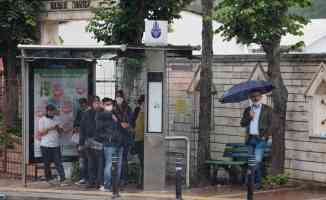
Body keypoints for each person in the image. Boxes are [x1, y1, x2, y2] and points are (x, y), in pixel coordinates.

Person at [240, 91, 273, 190]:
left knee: (257, 161)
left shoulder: (267, 109)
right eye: (252, 96)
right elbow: (242, 124)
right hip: (250, 139)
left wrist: (266, 136)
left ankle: (255, 183)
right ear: (250, 98)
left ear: (261, 97)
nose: (255, 98)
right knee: (251, 162)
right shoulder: (248, 110)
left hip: (260, 139)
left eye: (257, 96)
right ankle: (253, 183)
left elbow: (272, 125)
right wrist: (250, 117)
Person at [96, 98, 124, 192]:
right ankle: (109, 185)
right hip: (110, 143)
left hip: (118, 143)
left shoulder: (115, 114)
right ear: (103, 105)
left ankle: (114, 185)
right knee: (110, 164)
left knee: (117, 165)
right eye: (107, 104)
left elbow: (121, 123)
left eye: (111, 104)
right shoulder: (101, 116)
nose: (110, 106)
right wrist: (108, 137)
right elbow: (99, 131)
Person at [38, 104, 67, 186]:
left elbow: (61, 132)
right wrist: (50, 128)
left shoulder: (57, 119)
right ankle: (48, 179)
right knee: (46, 163)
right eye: (50, 111)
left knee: (58, 162)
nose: (52, 112)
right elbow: (41, 133)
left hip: (56, 145)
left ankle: (63, 179)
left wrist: (58, 128)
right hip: (45, 145)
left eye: (53, 111)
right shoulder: (42, 120)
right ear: (47, 111)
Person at [79, 96, 103, 188]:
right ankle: (91, 181)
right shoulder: (87, 114)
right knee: (90, 163)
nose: (96, 103)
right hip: (89, 140)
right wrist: (81, 143)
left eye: (98, 101)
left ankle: (99, 182)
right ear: (91, 103)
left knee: (100, 163)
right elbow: (82, 128)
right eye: (94, 102)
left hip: (100, 141)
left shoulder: (103, 112)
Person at [114, 90, 133, 187]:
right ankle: (119, 178)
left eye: (120, 96)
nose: (118, 98)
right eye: (117, 96)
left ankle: (123, 178)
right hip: (117, 137)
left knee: (123, 159)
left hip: (126, 138)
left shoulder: (128, 109)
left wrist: (122, 123)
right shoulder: (114, 109)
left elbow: (129, 123)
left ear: (123, 97)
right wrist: (121, 123)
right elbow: (114, 122)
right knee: (118, 159)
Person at [73, 98, 88, 185]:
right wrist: (76, 128)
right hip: (80, 139)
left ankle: (88, 177)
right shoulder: (79, 112)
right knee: (81, 159)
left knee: (88, 159)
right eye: (80, 104)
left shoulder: (90, 112)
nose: (82, 105)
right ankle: (83, 177)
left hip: (88, 140)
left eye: (83, 104)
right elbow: (75, 124)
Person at [133, 95, 145, 188]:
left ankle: (142, 182)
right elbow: (134, 123)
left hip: (145, 140)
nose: (142, 105)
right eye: (141, 103)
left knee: (144, 162)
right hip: (139, 140)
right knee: (141, 162)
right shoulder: (138, 111)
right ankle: (141, 182)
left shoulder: (149, 112)